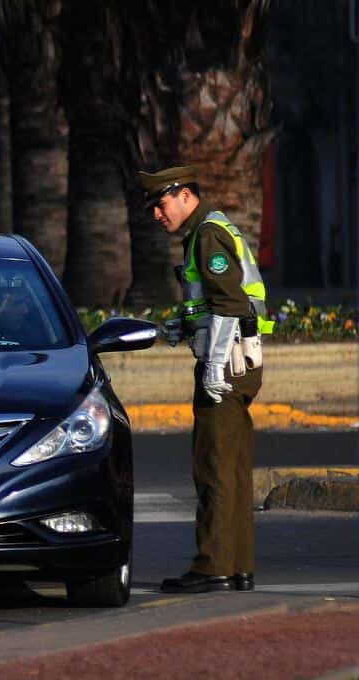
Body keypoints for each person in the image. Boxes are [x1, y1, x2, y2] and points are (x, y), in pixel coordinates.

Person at [138, 165, 273, 594]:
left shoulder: (208, 235)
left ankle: (213, 566)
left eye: (161, 204)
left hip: (227, 366)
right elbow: (214, 305)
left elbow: (229, 303)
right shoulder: (210, 230)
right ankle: (237, 566)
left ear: (185, 196)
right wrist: (186, 324)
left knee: (213, 467)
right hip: (240, 362)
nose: (157, 215)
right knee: (233, 468)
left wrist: (213, 366)